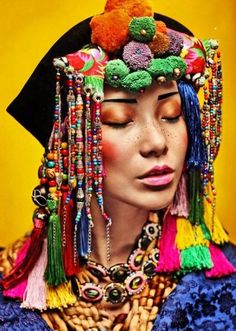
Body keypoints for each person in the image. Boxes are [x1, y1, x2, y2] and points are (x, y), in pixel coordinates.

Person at [0, 0, 235, 330]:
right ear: (68, 145)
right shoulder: (7, 288)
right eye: (120, 119)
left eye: (171, 115)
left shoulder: (224, 286)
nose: (156, 143)